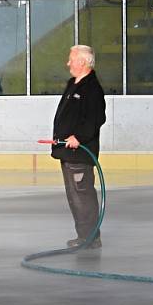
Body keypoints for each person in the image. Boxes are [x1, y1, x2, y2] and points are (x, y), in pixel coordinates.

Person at [51, 45, 106, 249]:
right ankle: (84, 235)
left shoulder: (91, 88)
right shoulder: (73, 84)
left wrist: (79, 138)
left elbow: (95, 118)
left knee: (82, 195)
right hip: (67, 151)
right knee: (74, 197)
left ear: (82, 62)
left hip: (80, 152)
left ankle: (90, 238)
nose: (68, 63)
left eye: (71, 59)